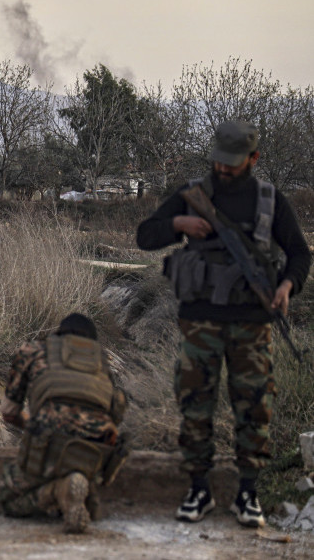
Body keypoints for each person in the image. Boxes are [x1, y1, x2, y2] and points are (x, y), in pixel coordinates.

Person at [136, 119, 311, 527]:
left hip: (252, 324)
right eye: (220, 161)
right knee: (195, 406)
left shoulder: (270, 200)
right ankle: (199, 489)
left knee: (255, 408)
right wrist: (179, 224)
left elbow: (301, 254)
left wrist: (287, 285)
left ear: (254, 158)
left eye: (233, 163)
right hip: (199, 322)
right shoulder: (193, 195)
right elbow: (145, 235)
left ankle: (247, 492)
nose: (224, 169)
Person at [0, 313, 128, 534]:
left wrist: (32, 426)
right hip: (94, 450)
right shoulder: (102, 362)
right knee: (82, 458)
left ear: (59, 333)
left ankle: (57, 491)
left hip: (49, 442)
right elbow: (116, 415)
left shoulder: (33, 350)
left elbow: (8, 412)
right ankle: (85, 492)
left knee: (7, 499)